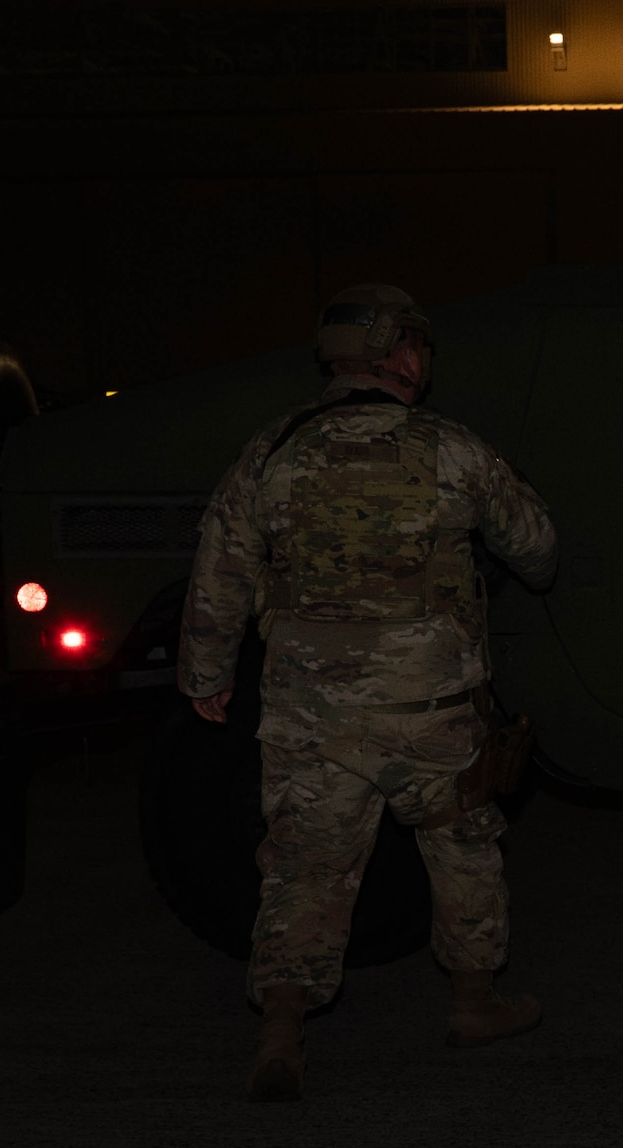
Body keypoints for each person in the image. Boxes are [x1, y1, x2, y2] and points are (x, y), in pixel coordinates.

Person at [178, 284, 559, 1102]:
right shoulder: (451, 448)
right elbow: (537, 550)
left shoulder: (273, 450)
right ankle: (474, 1002)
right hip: (432, 711)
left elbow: (222, 567)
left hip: (311, 714)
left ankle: (281, 1028)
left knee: (305, 866)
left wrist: (206, 675)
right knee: (462, 849)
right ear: (398, 353)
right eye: (418, 344)